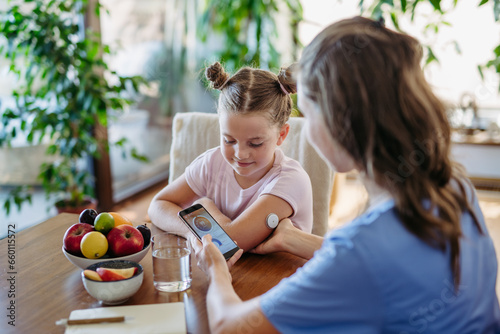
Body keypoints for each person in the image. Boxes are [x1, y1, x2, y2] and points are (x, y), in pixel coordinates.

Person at [192, 16, 500, 333]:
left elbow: (229, 326)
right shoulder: (454, 185)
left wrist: (215, 266)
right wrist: (297, 239)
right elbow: (390, 265)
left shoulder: (357, 252)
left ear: (339, 123)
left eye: (308, 115)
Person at [148, 61, 313, 251]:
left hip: (279, 277)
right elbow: (158, 205)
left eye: (255, 143)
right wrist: (192, 231)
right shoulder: (212, 163)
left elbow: (233, 242)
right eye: (229, 140)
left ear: (281, 135)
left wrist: (206, 207)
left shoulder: (291, 180)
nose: (240, 154)